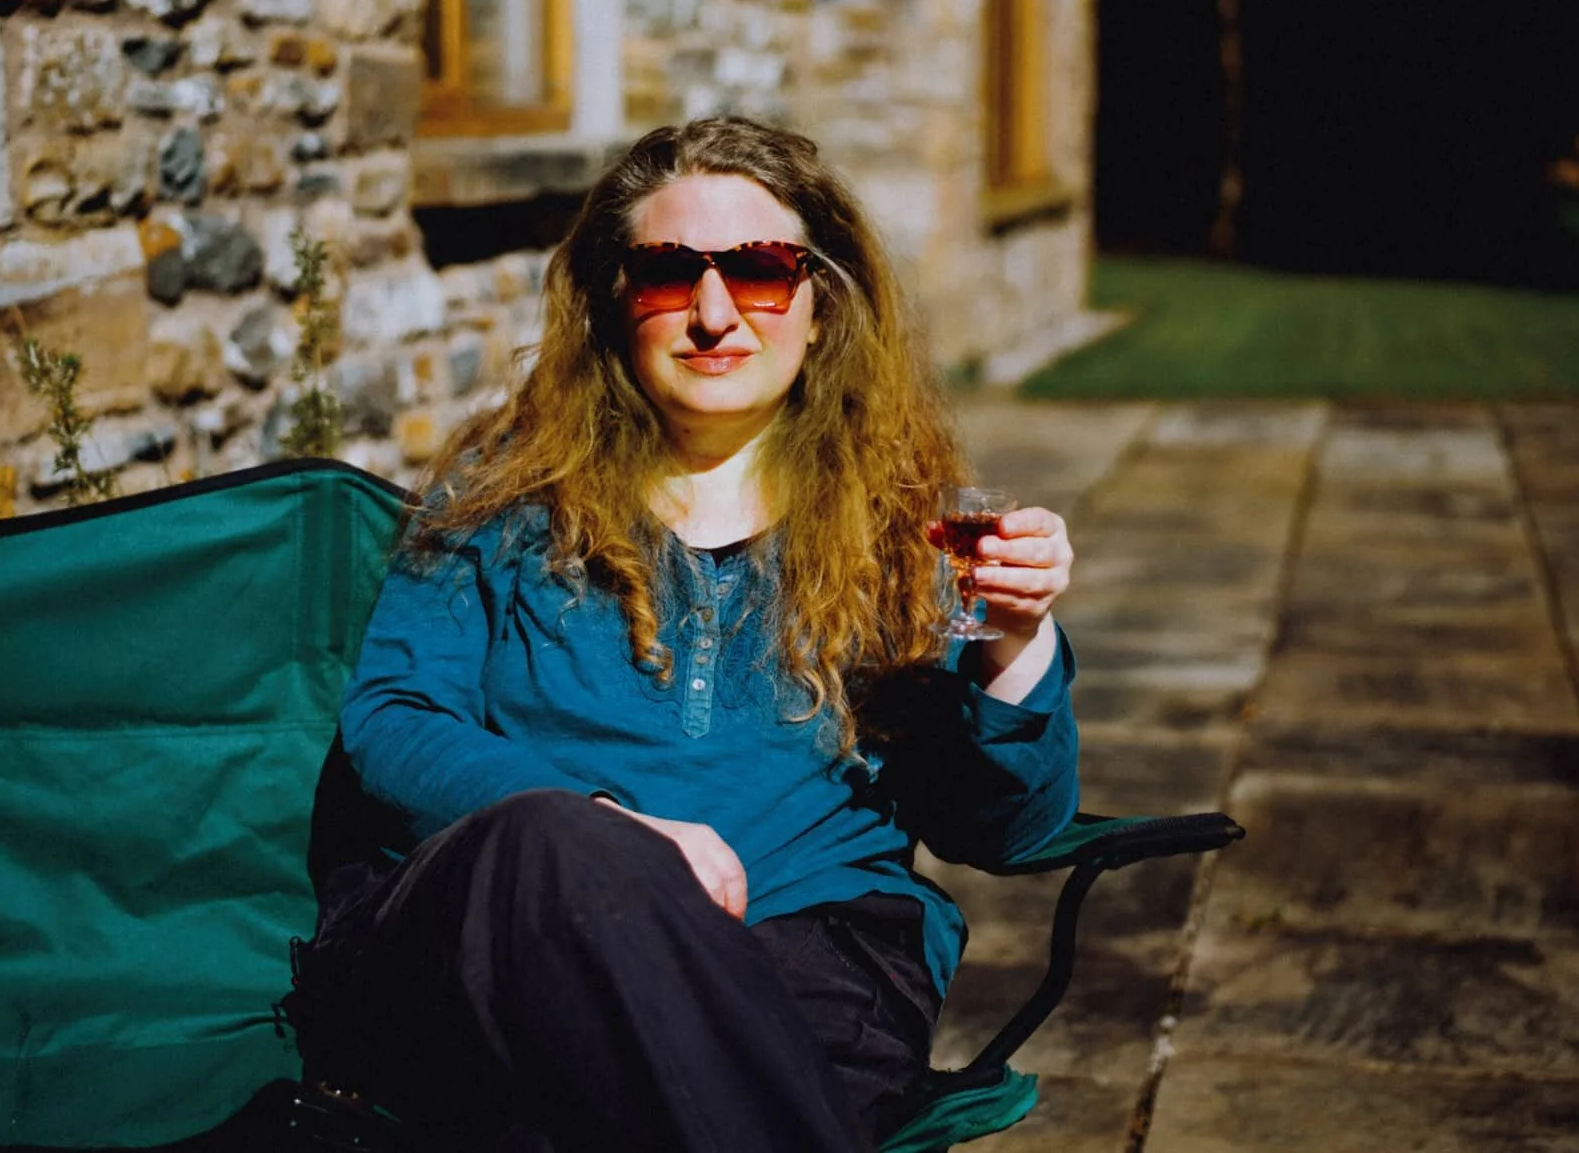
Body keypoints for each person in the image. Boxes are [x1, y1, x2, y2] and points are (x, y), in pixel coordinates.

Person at [288, 118, 1079, 1152]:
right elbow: (392, 721)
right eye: (667, 273)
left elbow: (1006, 827)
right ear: (615, 299)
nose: (713, 314)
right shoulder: (504, 498)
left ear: (818, 300)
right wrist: (609, 835)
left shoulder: (900, 525)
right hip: (515, 932)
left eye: (757, 270)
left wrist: (1012, 647)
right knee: (550, 848)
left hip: (807, 946)